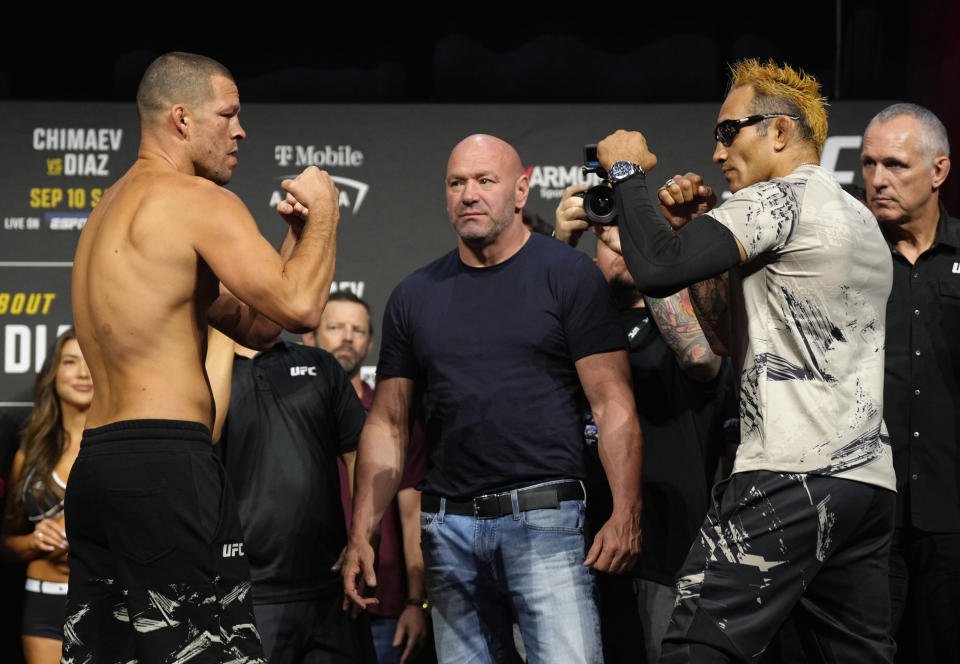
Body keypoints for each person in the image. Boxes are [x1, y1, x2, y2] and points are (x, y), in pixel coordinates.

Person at [595, 58, 897, 662]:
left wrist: (625, 170)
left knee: (690, 648)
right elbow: (727, 339)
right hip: (864, 483)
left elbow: (654, 268)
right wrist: (697, 228)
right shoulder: (854, 214)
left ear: (780, 133)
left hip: (788, 474)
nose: (716, 152)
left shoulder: (780, 200)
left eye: (729, 131)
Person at [66, 51, 340, 662]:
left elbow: (257, 327)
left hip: (100, 468)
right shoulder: (197, 200)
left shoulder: (105, 215)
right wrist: (325, 213)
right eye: (229, 114)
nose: (240, 130)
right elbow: (300, 309)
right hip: (167, 466)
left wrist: (295, 240)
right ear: (183, 119)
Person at [341, 133, 644, 664]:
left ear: (522, 190)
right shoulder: (415, 294)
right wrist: (362, 531)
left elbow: (612, 402)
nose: (469, 194)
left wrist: (624, 511)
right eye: (457, 183)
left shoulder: (568, 275)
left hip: (545, 521)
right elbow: (388, 424)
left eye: (485, 181)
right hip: (447, 531)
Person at [556, 198, 729, 663]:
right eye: (613, 237)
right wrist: (560, 244)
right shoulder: (577, 332)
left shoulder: (683, 322)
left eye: (635, 233)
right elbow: (523, 356)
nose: (623, 245)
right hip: (579, 546)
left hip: (667, 548)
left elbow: (700, 359)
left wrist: (646, 257)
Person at [860, 102, 958, 662]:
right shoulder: (850, 260)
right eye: (869, 164)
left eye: (895, 165)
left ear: (938, 171)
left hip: (953, 513)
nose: (877, 180)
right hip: (871, 511)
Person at [213, 332, 374, 664]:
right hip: (243, 593)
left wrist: (363, 536)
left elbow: (360, 455)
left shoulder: (319, 363)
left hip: (331, 589)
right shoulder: (203, 371)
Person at [308, 291, 430, 664]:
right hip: (307, 600)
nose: (347, 337)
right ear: (309, 337)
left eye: (357, 330)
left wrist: (416, 601)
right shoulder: (288, 414)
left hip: (384, 600)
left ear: (371, 343)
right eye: (335, 327)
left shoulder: (392, 420)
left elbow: (413, 517)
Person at [0, 329, 90, 664]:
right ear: (53, 373)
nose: (83, 373)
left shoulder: (119, 449)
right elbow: (7, 543)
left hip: (107, 601)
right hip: (43, 605)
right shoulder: (31, 451)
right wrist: (35, 541)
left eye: (91, 362)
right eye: (70, 362)